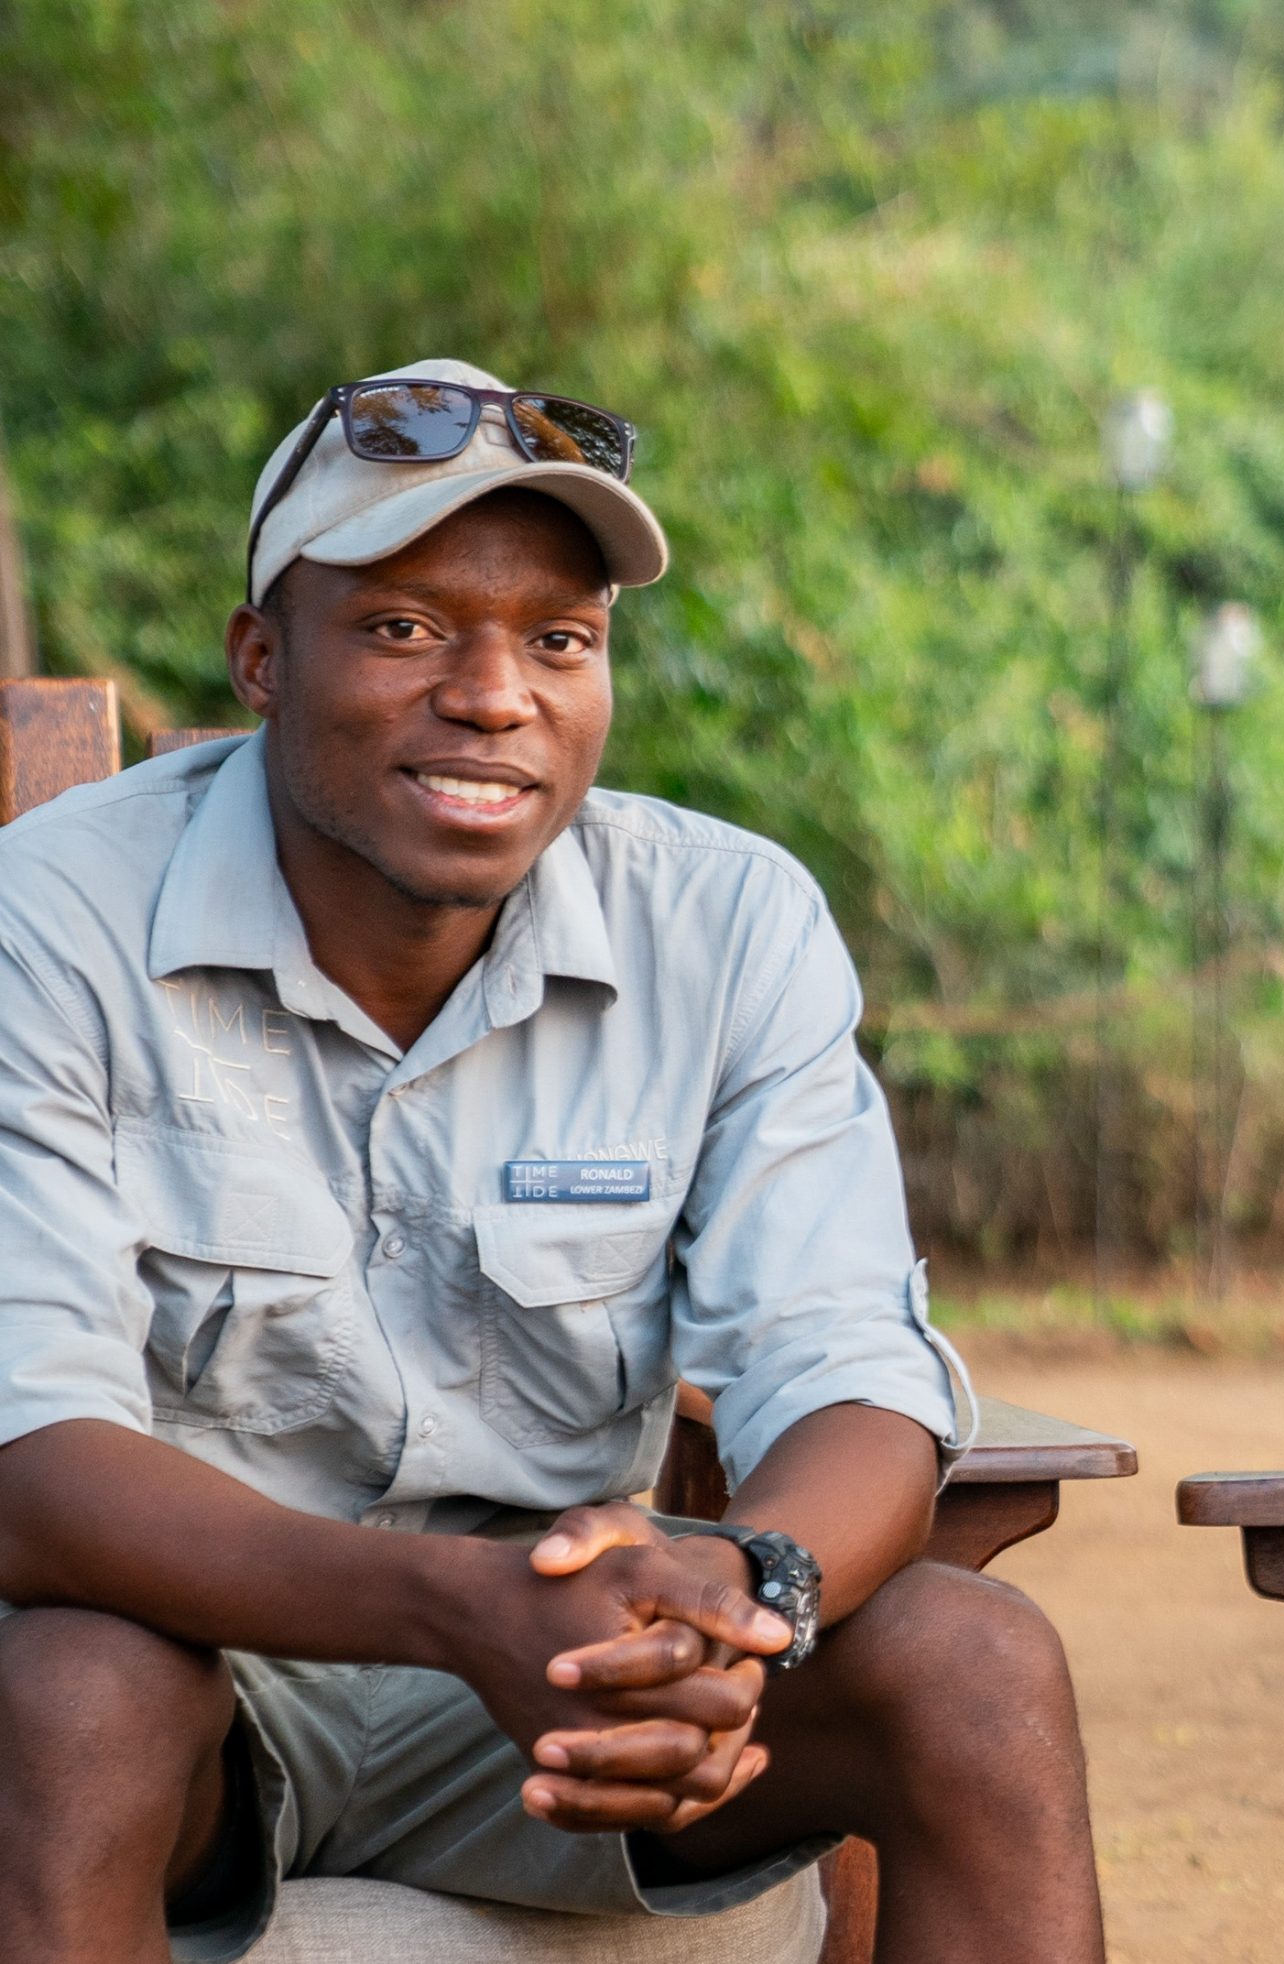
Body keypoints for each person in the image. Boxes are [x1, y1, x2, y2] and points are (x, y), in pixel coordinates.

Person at [0, 359, 1106, 1964]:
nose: (495, 694)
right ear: (261, 657)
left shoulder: (725, 926)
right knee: (73, 1694)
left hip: (568, 1689)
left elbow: (848, 1359)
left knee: (978, 1668)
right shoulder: (52, 920)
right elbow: (30, 1466)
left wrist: (744, 1590)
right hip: (203, 1676)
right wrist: (461, 1612)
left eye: (560, 642)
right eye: (403, 626)